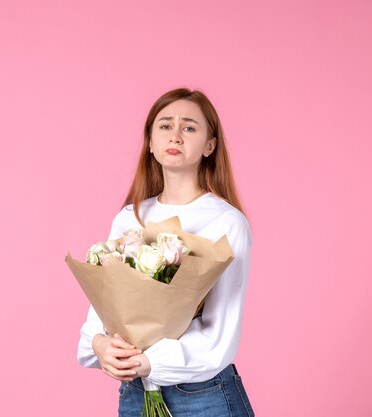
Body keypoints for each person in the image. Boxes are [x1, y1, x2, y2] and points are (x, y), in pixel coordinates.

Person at [77, 88, 256, 417]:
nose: (175, 134)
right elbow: (102, 311)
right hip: (135, 392)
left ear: (209, 145)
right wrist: (100, 346)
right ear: (149, 141)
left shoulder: (227, 222)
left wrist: (149, 362)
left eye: (189, 127)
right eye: (164, 126)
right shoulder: (129, 217)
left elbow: (220, 332)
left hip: (204, 396)